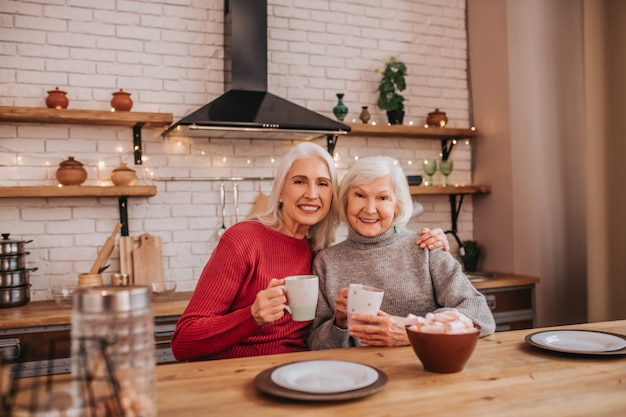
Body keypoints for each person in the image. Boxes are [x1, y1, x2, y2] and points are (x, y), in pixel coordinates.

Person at [172, 143, 450, 361]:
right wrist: (252, 316)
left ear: (332, 196)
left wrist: (433, 244)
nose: (312, 194)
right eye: (299, 181)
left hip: (302, 372)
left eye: (322, 184)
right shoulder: (243, 239)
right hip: (234, 372)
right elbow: (183, 342)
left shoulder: (319, 252)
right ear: (280, 191)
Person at [308, 156, 495, 350]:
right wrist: (339, 323)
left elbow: (480, 315)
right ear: (345, 199)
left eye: (383, 198)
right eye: (360, 195)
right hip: (356, 375)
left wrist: (412, 330)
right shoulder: (326, 262)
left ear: (397, 204)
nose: (370, 209)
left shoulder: (426, 248)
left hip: (423, 372)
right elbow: (315, 346)